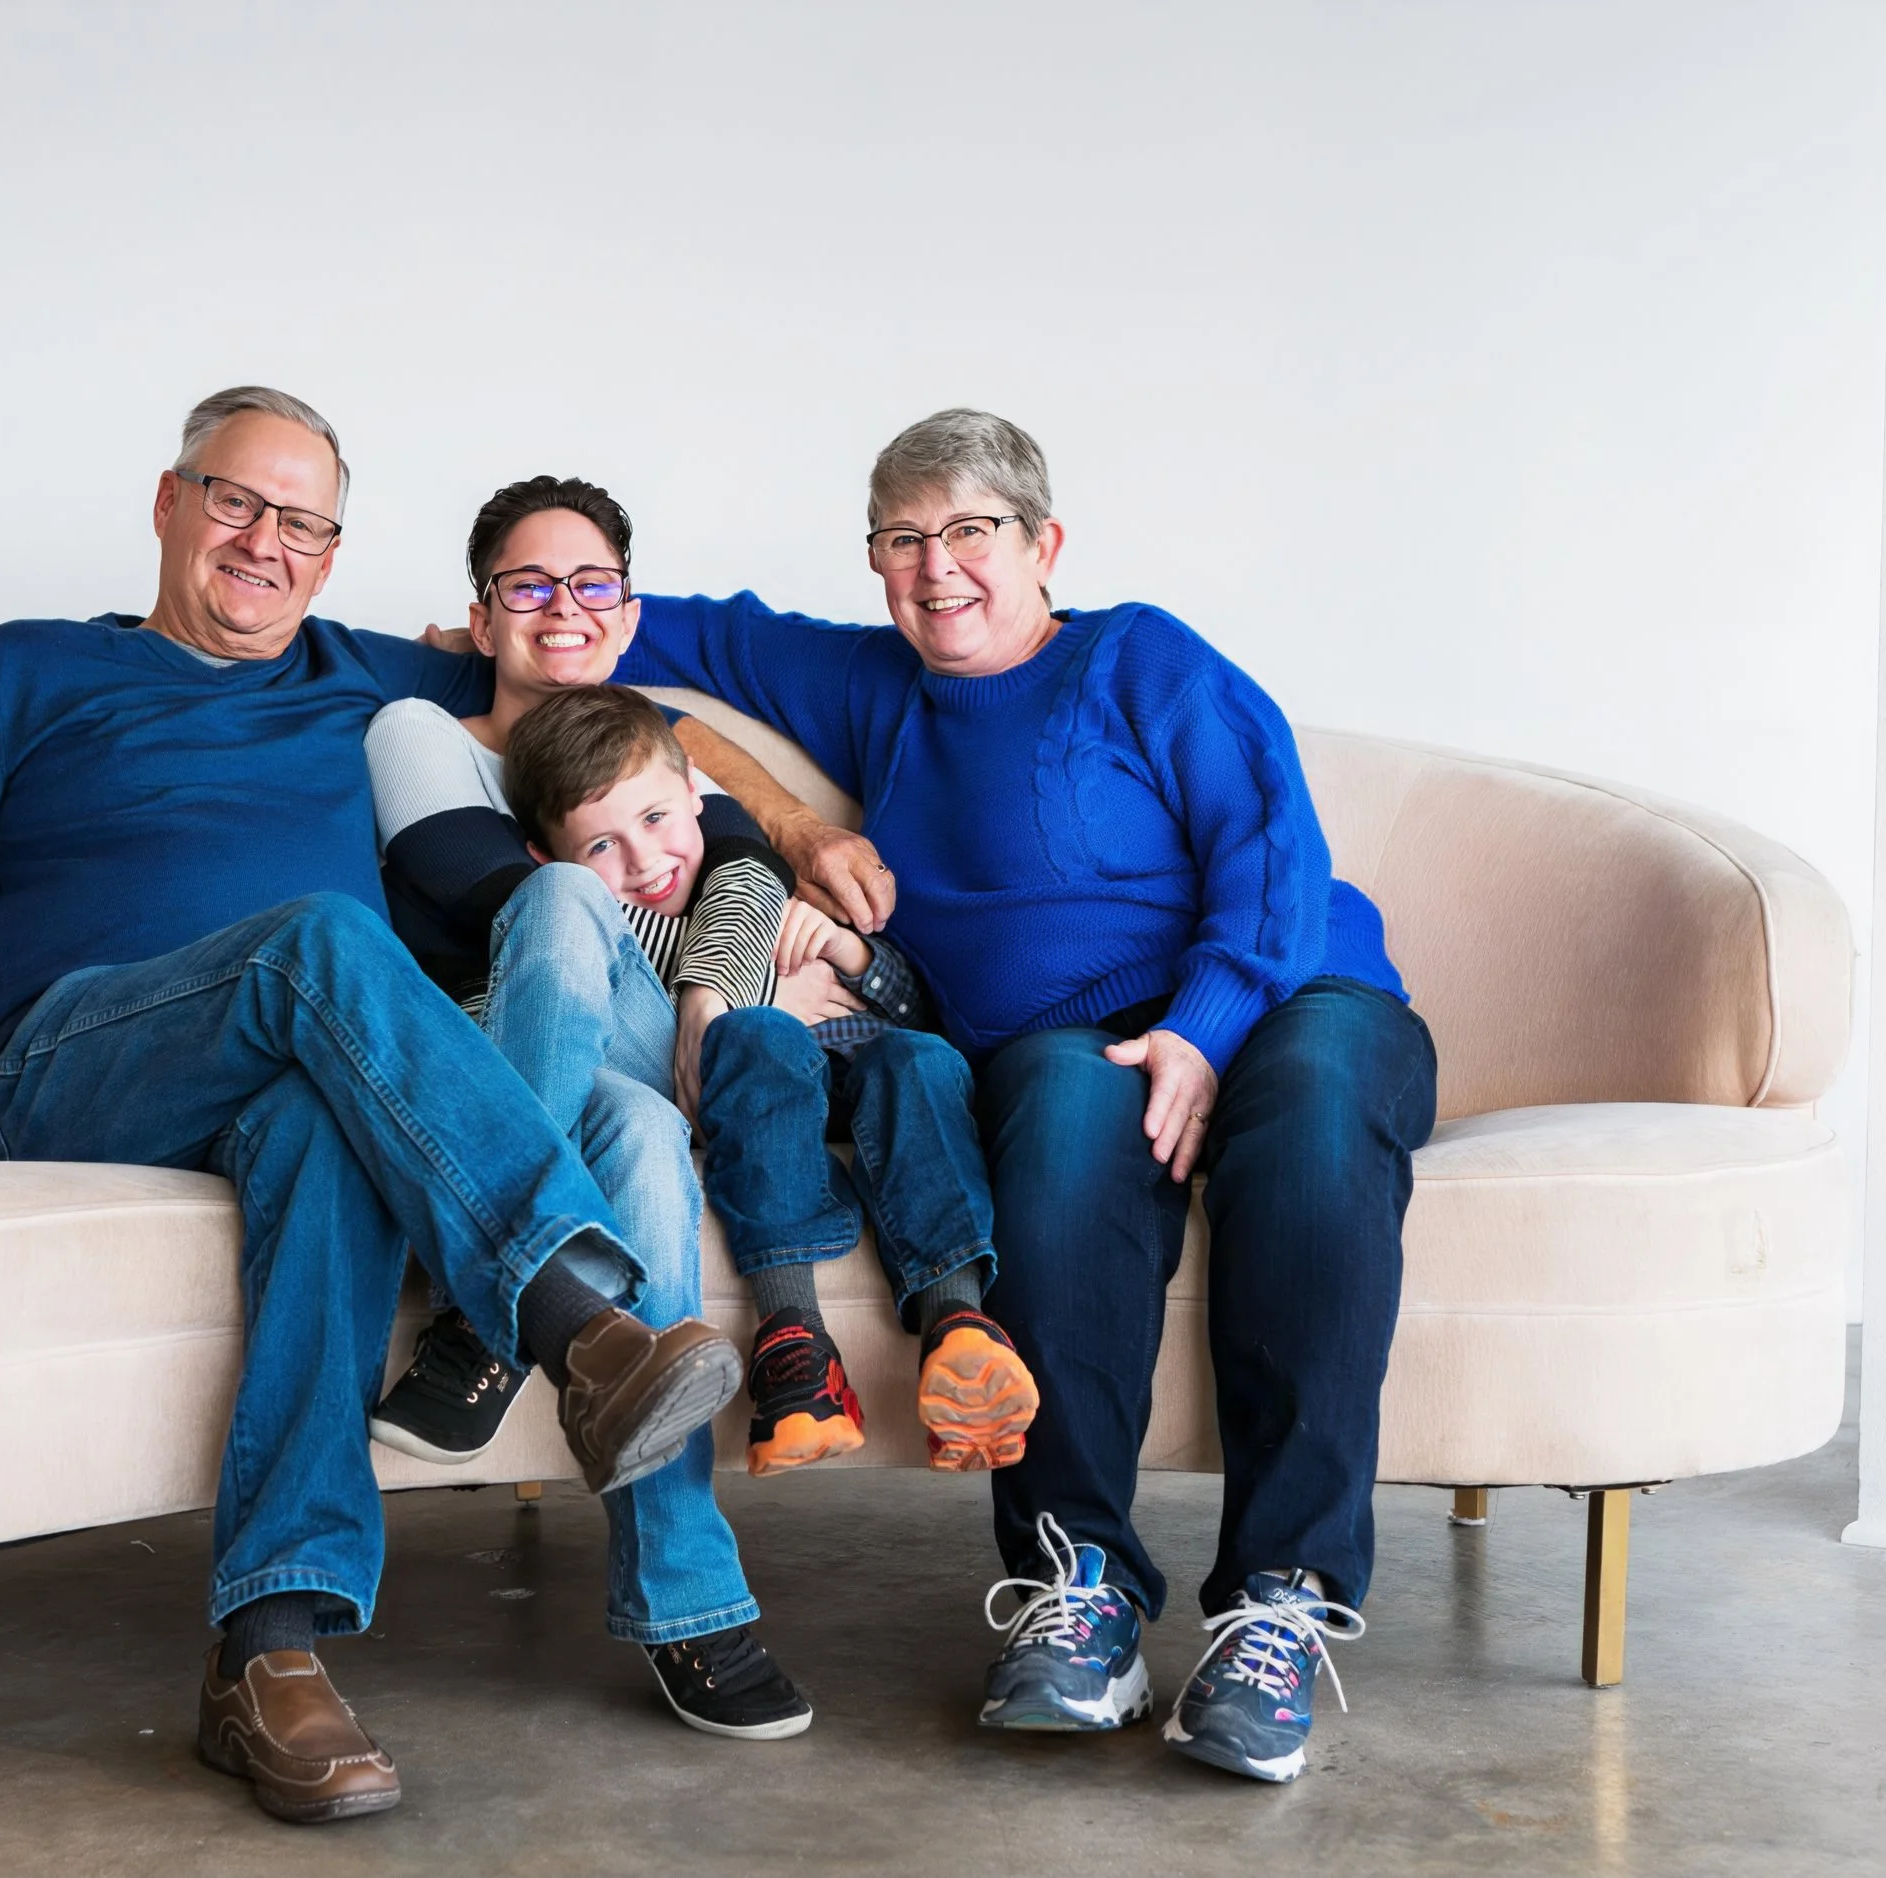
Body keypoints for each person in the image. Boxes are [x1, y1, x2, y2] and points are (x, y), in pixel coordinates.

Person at [0, 389, 856, 1822]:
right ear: (168, 501)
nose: (266, 543)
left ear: (333, 554)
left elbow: (630, 712)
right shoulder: (22, 669)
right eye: (235, 503)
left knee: (354, 1131)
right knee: (323, 936)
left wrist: (806, 834)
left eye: (305, 523)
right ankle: (576, 1316)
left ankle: (269, 1653)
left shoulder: (363, 676)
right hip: (80, 1059)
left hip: (286, 1073)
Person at [611, 408, 1439, 1785]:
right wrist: (491, 627)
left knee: (1309, 1129)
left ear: (1045, 544)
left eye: (971, 531)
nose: (938, 567)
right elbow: (684, 634)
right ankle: (1082, 1587)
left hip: (1285, 994)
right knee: (1049, 1126)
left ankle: (1279, 1604)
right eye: (903, 538)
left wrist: (1204, 1026)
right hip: (1065, 1043)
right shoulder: (880, 686)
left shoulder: (1139, 657)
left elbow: (1273, 843)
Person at [358, 476, 814, 1738]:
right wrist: (713, 941)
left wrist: (712, 998)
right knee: (646, 1124)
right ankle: (691, 1602)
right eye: (528, 584)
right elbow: (482, 884)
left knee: (627, 1015)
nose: (562, 607)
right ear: (481, 614)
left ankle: (497, 1322)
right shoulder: (421, 731)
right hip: (482, 1042)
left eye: (591, 583)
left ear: (626, 611)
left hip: (637, 1027)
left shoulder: (650, 747)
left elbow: (749, 875)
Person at [501, 683, 1038, 1478]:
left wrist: (847, 949)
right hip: (764, 1096)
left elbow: (916, 1010)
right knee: (755, 1037)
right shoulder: (609, 934)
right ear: (552, 863)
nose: (645, 861)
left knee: (920, 1061)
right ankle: (795, 1343)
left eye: (654, 820)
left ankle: (958, 1321)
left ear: (695, 798)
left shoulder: (759, 886)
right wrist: (768, 996)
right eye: (602, 847)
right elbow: (677, 1042)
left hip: (868, 1077)